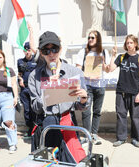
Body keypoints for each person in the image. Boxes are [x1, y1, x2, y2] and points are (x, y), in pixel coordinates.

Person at [28, 31, 89, 163]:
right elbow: (35, 108)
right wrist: (48, 90)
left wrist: (84, 99)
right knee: (47, 163)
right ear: (41, 52)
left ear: (60, 49)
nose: (51, 54)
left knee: (76, 161)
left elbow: (80, 105)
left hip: (67, 122)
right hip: (45, 124)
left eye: (54, 49)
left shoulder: (74, 72)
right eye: (46, 50)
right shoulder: (34, 76)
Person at [106, 34, 139, 148]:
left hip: (135, 93)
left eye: (131, 43)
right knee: (121, 115)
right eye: (127, 43)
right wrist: (113, 55)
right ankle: (121, 138)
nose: (129, 45)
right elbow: (110, 69)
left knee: (135, 117)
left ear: (135, 44)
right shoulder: (121, 57)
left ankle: (135, 138)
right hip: (121, 92)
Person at [75, 30, 110, 145]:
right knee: (86, 111)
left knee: (97, 111)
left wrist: (107, 60)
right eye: (89, 38)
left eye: (92, 38)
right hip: (87, 86)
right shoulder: (83, 52)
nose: (90, 39)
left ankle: (94, 135)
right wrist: (86, 76)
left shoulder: (104, 52)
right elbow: (78, 69)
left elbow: (107, 70)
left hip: (100, 86)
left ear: (98, 39)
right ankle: (86, 135)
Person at [18, 42, 38, 138]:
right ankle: (29, 128)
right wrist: (20, 79)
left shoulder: (36, 60)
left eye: (29, 50)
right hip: (24, 89)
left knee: (34, 110)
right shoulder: (20, 61)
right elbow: (19, 73)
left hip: (33, 89)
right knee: (26, 110)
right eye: (25, 50)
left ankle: (36, 129)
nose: (27, 52)